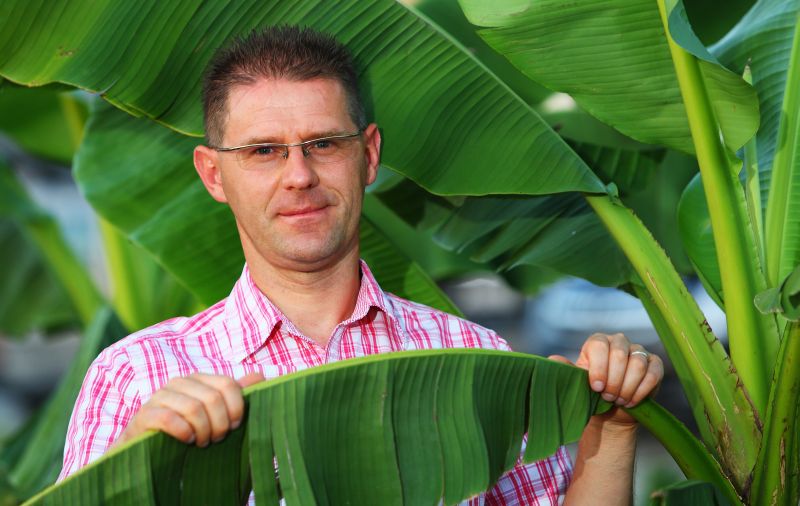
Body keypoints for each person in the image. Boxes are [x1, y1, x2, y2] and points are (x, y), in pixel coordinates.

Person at [59, 26, 664, 505]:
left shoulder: (472, 359)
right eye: (264, 151)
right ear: (214, 174)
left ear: (368, 155)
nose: (299, 175)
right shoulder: (138, 377)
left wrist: (610, 431)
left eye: (323, 143)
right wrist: (139, 465)